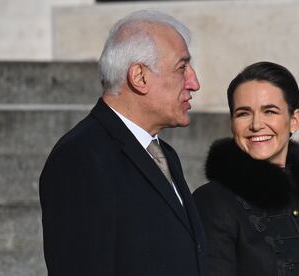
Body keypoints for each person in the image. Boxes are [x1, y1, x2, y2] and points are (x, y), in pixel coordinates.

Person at [39, 10, 206, 276]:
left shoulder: (164, 154)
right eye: (182, 67)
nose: (194, 83)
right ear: (139, 77)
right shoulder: (81, 158)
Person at [193, 61, 299, 276]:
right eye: (243, 113)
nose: (256, 124)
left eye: (270, 111)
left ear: (294, 120)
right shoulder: (214, 201)